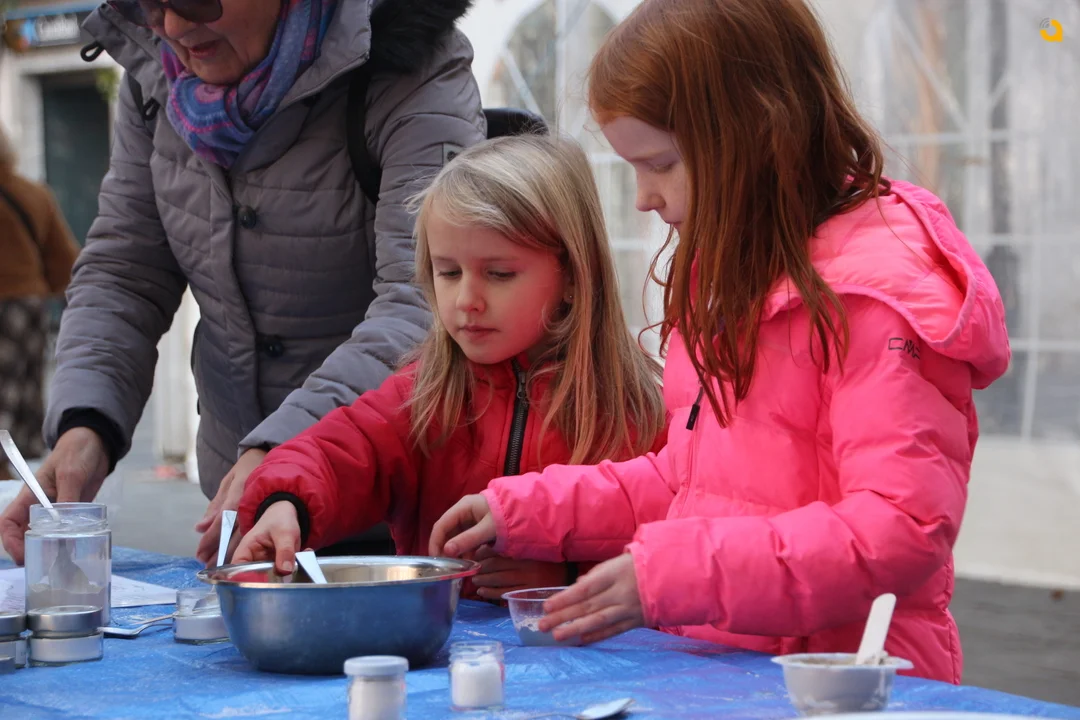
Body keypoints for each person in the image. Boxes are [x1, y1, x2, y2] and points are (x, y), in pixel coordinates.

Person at [429, 0, 1011, 683]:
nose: (644, 197)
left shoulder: (877, 298)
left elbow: (899, 529)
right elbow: (689, 483)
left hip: (843, 687)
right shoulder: (736, 279)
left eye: (661, 163)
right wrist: (522, 510)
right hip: (730, 676)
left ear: (756, 134)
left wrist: (672, 574)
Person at [0, 0, 487, 565]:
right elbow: (125, 272)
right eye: (146, 3)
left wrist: (285, 446)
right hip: (249, 510)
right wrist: (86, 425)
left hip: (408, 518)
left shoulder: (413, 71)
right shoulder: (154, 78)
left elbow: (425, 303)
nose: (173, 26)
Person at [232, 135, 668, 600]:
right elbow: (336, 453)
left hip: (589, 644)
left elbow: (673, 543)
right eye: (449, 272)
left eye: (499, 274)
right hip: (436, 642)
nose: (466, 300)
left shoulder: (639, 412)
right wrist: (286, 504)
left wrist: (570, 578)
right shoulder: (423, 394)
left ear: (573, 276)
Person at [0, 125, 81, 480]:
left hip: (13, 303)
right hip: (27, 307)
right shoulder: (33, 193)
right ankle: (10, 465)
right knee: (19, 390)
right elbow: (63, 258)